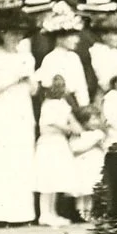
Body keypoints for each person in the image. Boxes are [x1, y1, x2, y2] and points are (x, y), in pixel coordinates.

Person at [0, 10, 36, 225]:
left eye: (20, 33)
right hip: (3, 109)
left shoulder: (26, 57)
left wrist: (30, 81)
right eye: (11, 33)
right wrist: (14, 78)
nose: (16, 37)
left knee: (20, 159)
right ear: (0, 34)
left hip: (22, 109)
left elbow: (33, 89)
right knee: (1, 158)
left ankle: (20, 214)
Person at [34, 76, 81, 226]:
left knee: (56, 178)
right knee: (47, 178)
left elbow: (74, 125)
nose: (59, 89)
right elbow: (48, 125)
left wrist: (72, 127)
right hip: (49, 142)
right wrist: (66, 128)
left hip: (59, 143)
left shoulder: (63, 104)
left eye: (62, 86)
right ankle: (44, 214)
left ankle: (52, 212)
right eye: (56, 86)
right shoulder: (47, 105)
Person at [36, 12, 90, 108]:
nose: (76, 40)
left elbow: (81, 87)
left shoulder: (74, 57)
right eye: (72, 36)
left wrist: (84, 107)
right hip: (58, 106)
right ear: (59, 38)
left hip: (75, 104)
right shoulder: (50, 59)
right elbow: (49, 89)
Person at [69, 105, 107, 222]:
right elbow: (75, 148)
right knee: (82, 190)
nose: (96, 122)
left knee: (91, 190)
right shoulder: (79, 134)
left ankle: (89, 212)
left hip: (95, 165)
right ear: (84, 121)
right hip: (83, 165)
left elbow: (105, 148)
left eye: (97, 118)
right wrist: (93, 141)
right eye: (93, 119)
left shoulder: (99, 133)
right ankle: (80, 212)